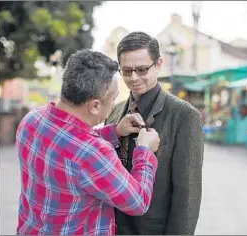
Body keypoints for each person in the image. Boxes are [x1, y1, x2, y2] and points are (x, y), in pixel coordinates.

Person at [15, 49, 160, 235]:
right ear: (95, 106)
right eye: (113, 98)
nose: (113, 104)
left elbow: (68, 141)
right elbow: (138, 202)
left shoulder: (32, 120)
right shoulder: (92, 153)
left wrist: (115, 131)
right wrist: (145, 151)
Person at [105, 32, 204, 235]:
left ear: (158, 64)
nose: (133, 78)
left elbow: (187, 196)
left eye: (142, 70)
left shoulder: (185, 116)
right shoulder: (114, 111)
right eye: (127, 71)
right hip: (111, 227)